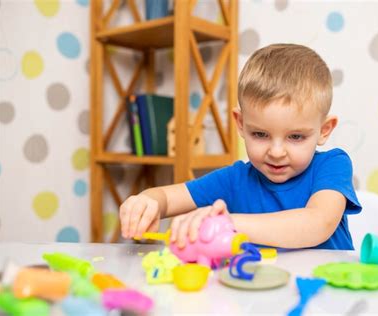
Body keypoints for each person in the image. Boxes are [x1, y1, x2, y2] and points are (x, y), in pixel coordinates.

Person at [120, 43, 362, 250]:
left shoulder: (332, 165)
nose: (276, 152)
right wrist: (147, 201)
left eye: (296, 137)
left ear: (324, 130)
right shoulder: (234, 179)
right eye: (260, 134)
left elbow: (317, 224)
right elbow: (167, 197)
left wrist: (228, 223)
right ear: (241, 124)